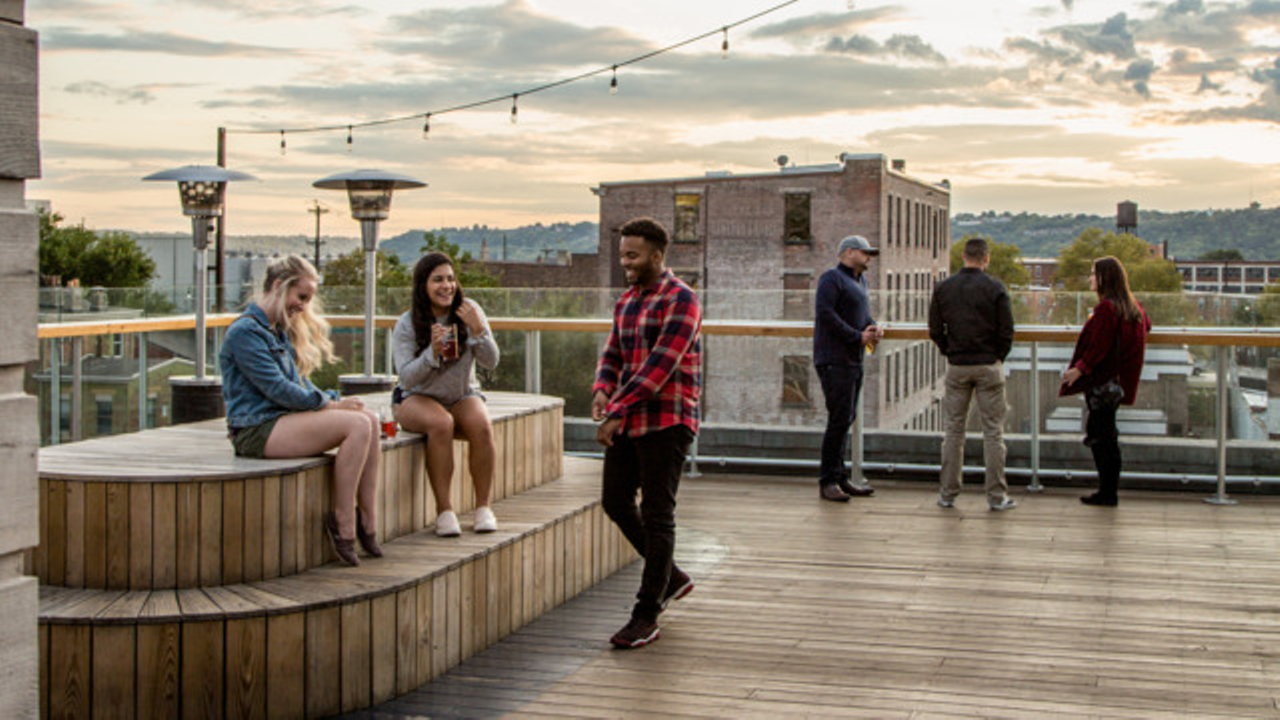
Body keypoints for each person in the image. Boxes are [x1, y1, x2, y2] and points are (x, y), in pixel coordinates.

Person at [220, 254, 381, 567]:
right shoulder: (245, 333)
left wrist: (335, 400)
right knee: (357, 426)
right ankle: (343, 521)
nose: (304, 306)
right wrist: (332, 405)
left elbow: (300, 385)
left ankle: (369, 518)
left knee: (370, 419)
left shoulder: (275, 329)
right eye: (301, 297)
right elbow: (279, 390)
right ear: (279, 286)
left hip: (281, 421)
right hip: (256, 430)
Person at [593, 217, 701, 649]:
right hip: (628, 417)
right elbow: (614, 351)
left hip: (668, 420)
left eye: (633, 255)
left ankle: (647, 612)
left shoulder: (683, 300)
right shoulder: (627, 301)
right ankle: (670, 576)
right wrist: (603, 389)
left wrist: (615, 409)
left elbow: (659, 367)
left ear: (658, 256)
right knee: (615, 501)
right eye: (623, 255)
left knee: (658, 515)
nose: (626, 263)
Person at [393, 252, 500, 536]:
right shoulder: (407, 323)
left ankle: (483, 507)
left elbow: (491, 361)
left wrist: (478, 330)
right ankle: (444, 511)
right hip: (416, 397)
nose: (446, 286)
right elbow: (406, 376)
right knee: (441, 423)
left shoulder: (469, 311)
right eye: (437, 280)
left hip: (461, 393)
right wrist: (432, 353)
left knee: (482, 425)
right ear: (423, 285)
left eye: (451, 279)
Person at [928, 237, 1018, 511]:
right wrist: (996, 356)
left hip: (958, 366)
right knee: (993, 432)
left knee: (954, 431)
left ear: (963, 257)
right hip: (988, 364)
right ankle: (996, 496)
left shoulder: (944, 288)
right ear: (986, 258)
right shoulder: (995, 288)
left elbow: (934, 329)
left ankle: (948, 493)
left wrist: (950, 351)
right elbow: (1007, 331)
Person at [1059, 256, 1151, 507]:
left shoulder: (1106, 309)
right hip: (1118, 384)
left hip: (1101, 382)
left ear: (1104, 278)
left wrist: (1079, 370)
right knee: (1107, 435)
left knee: (1102, 437)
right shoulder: (1133, 307)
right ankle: (1108, 491)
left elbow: (1099, 345)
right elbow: (1146, 327)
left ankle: (1107, 493)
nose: (1090, 278)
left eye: (1093, 274)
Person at [813, 234, 884, 502]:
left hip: (853, 359)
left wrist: (872, 326)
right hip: (834, 359)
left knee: (847, 418)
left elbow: (861, 316)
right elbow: (825, 314)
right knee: (839, 419)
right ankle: (828, 481)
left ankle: (840, 478)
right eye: (865, 253)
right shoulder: (831, 278)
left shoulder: (860, 281)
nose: (868, 258)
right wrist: (857, 337)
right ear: (849, 252)